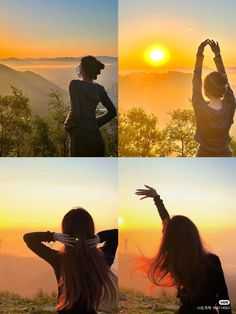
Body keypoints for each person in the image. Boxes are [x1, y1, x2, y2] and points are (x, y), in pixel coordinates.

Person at [135, 185, 231, 314]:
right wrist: (157, 199)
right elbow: (223, 297)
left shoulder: (177, 261)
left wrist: (157, 199)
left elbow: (168, 225)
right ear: (194, 235)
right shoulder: (211, 260)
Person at [23, 208, 118, 313]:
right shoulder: (102, 259)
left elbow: (28, 238)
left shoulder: (59, 259)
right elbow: (116, 234)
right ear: (90, 230)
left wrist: (54, 236)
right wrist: (99, 237)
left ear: (65, 232)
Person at [65, 56, 117, 157]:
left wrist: (67, 124)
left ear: (84, 69)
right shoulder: (100, 89)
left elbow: (76, 112)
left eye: (80, 65)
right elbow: (113, 112)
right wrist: (95, 123)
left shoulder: (75, 85)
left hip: (81, 138)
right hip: (97, 138)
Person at [192, 39, 236, 157]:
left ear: (205, 90)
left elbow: (196, 81)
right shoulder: (230, 104)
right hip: (225, 155)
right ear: (224, 88)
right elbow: (224, 79)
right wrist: (217, 55)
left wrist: (200, 55)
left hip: (203, 156)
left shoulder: (200, 107)